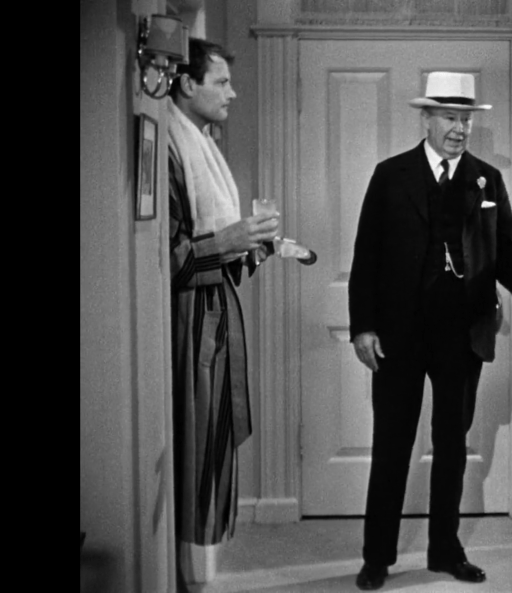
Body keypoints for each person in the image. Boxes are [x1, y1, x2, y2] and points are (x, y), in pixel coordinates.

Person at [348, 71, 512, 590]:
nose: (459, 128)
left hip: (462, 332)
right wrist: (363, 326)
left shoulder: (486, 179)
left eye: (465, 119)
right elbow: (366, 255)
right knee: (392, 445)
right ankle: (377, 557)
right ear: (427, 119)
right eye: (449, 118)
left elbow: (506, 246)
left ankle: (444, 550)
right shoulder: (390, 175)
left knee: (452, 447)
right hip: (398, 333)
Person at [166, 37, 279, 574]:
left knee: (214, 442)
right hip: (190, 322)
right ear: (187, 84)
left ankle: (195, 561)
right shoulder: (170, 148)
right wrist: (230, 239)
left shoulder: (203, 144)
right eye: (222, 82)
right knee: (196, 443)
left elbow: (214, 248)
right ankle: (181, 570)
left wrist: (252, 247)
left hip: (213, 312)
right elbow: (172, 261)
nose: (232, 93)